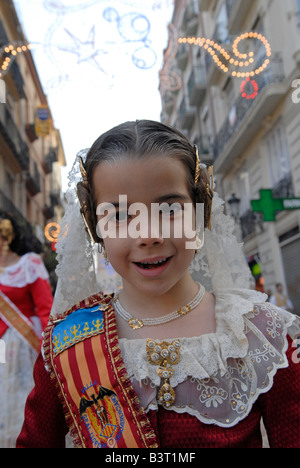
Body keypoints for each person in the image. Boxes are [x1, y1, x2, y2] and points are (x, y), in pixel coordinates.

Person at [17, 120, 300, 449]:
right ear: (96, 229)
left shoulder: (263, 335)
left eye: (169, 209)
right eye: (120, 215)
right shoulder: (67, 345)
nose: (148, 235)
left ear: (200, 211)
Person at [0, 212, 53, 447]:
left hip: (24, 344)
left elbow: (45, 308)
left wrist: (50, 346)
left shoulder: (29, 263)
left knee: (23, 390)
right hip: (1, 344)